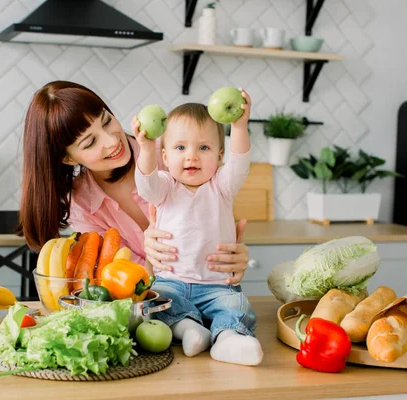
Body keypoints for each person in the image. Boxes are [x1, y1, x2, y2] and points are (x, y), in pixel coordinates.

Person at [17, 80, 250, 287]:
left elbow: (215, 207)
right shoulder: (83, 205)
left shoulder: (172, 151)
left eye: (107, 121)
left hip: (211, 286)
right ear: (68, 158)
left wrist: (234, 253)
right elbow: (123, 281)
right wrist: (150, 261)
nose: (111, 140)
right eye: (90, 143)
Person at [131, 93, 263, 366]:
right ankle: (189, 330)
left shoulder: (222, 186)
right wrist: (146, 149)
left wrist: (238, 126)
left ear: (219, 156)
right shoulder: (165, 187)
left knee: (238, 307)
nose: (191, 156)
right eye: (180, 148)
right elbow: (145, 184)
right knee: (159, 303)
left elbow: (240, 161)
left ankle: (227, 339)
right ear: (164, 157)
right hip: (172, 283)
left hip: (218, 286)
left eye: (203, 148)